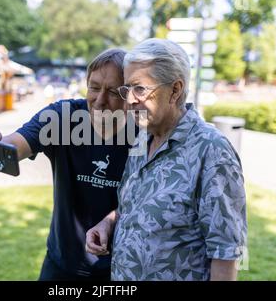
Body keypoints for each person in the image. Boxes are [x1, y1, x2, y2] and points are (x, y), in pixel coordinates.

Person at [0, 48, 137, 281]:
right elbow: (13, 147)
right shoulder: (62, 118)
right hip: (62, 263)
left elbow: (147, 198)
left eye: (112, 91)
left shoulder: (143, 130)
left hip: (121, 268)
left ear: (128, 94)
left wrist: (112, 220)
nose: (100, 100)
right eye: (94, 88)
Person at [85, 38, 247, 281]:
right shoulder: (143, 137)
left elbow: (225, 253)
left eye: (139, 89)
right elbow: (137, 205)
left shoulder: (212, 152)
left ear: (175, 90)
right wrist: (109, 222)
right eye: (127, 89)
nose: (129, 100)